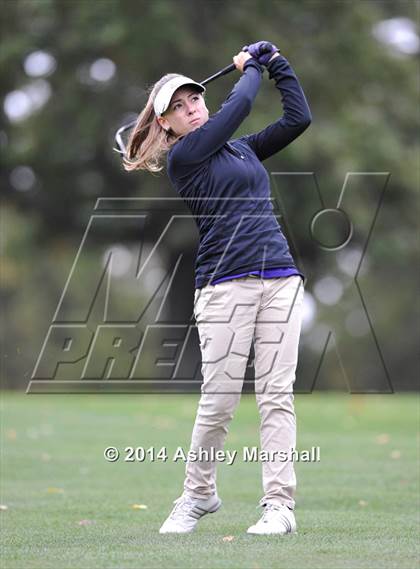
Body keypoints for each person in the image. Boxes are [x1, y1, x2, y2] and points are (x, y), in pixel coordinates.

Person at [124, 40, 311, 535]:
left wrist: (278, 65)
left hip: (280, 279)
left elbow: (298, 119)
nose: (192, 109)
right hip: (224, 286)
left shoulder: (243, 150)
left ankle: (279, 506)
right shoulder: (185, 157)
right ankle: (198, 494)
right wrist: (251, 68)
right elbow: (243, 103)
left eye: (195, 100)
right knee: (220, 400)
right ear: (165, 123)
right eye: (179, 108)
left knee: (277, 395)